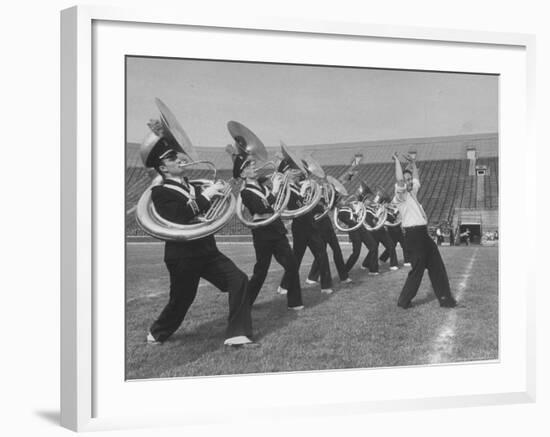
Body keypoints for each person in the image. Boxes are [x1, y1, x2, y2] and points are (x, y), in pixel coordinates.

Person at [142, 122, 257, 347]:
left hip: (206, 250)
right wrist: (206, 196)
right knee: (181, 300)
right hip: (182, 255)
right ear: (163, 168)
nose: (180, 160)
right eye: (172, 159)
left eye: (178, 157)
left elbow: (205, 207)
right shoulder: (160, 192)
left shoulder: (192, 186)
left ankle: (237, 334)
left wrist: (219, 192)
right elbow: (180, 216)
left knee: (238, 280)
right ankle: (157, 332)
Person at [235, 152, 304, 310]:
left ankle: (295, 302)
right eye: (248, 166)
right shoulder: (245, 192)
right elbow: (261, 207)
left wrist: (278, 181)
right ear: (243, 173)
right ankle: (246, 302)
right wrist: (274, 190)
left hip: (276, 228)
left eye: (252, 164)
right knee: (261, 270)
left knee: (292, 264)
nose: (253, 166)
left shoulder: (262, 186)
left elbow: (273, 203)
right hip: (262, 232)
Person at [392, 152, 457, 309]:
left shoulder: (412, 193)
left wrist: (413, 163)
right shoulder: (400, 196)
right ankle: (403, 301)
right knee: (417, 271)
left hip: (423, 235)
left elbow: (416, 178)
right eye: (406, 180)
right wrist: (397, 162)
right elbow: (400, 179)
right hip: (413, 236)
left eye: (409, 180)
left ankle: (445, 299)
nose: (408, 182)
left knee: (437, 265)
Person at [278, 160, 333, 294]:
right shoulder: (286, 188)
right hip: (300, 226)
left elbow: (309, 205)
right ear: (285, 173)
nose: (295, 171)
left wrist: (309, 193)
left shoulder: (298, 186)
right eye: (291, 170)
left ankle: (326, 285)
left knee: (322, 254)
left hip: (310, 224)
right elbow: (295, 206)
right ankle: (284, 285)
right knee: (296, 257)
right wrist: (303, 194)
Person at [307, 192, 352, 285]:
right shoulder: (311, 202)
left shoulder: (324, 199)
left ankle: (344, 277)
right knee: (322, 253)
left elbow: (333, 205)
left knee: (337, 251)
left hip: (328, 227)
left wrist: (338, 198)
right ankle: (312, 277)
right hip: (319, 228)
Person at [337, 194, 379, 275]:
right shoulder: (341, 212)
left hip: (361, 228)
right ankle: (344, 271)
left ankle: (373, 270)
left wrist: (356, 208)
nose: (344, 201)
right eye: (342, 200)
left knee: (373, 246)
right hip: (354, 230)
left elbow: (361, 214)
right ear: (338, 203)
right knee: (356, 252)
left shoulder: (351, 206)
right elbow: (350, 221)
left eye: (343, 199)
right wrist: (355, 212)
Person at [362, 195, 399, 273]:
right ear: (364, 201)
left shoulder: (374, 208)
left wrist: (391, 212)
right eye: (368, 200)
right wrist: (378, 214)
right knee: (374, 249)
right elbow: (373, 223)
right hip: (373, 232)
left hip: (381, 230)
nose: (370, 200)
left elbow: (390, 219)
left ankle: (393, 265)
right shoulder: (365, 211)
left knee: (391, 245)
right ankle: (366, 264)